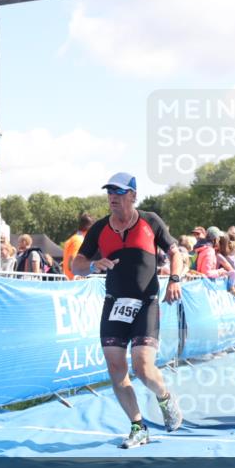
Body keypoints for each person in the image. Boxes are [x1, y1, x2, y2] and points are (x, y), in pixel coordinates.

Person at [71, 172, 184, 449]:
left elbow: (176, 252)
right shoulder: (99, 229)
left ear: (133, 196)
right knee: (116, 368)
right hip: (114, 304)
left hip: (146, 302)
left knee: (143, 367)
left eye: (119, 193)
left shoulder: (150, 221)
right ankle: (138, 426)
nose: (113, 197)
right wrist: (92, 266)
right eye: (110, 192)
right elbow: (77, 265)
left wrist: (175, 278)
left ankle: (165, 397)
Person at [62, 212, 93, 280]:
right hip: (74, 283)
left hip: (71, 282)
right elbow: (72, 265)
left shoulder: (74, 238)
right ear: (90, 228)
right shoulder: (78, 241)